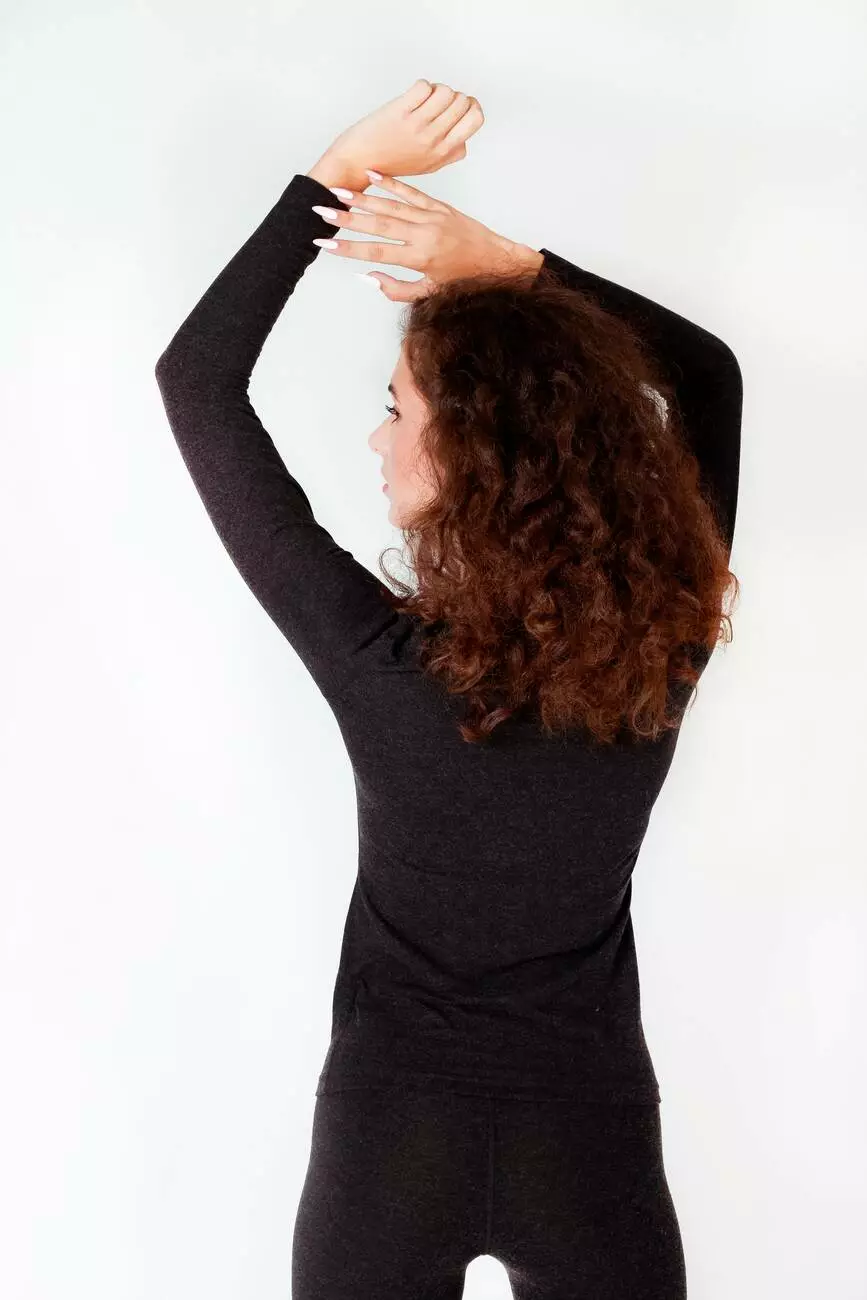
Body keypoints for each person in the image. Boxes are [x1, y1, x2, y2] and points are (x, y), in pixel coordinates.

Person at [154, 80, 741, 1300]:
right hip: (589, 1141)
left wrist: (335, 174)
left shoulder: (379, 660)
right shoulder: (661, 646)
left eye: (395, 410)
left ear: (468, 452)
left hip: (390, 1138)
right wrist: (511, 265)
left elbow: (197, 379)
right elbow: (709, 377)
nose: (378, 439)